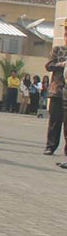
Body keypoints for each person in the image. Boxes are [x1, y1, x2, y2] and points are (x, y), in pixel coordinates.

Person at [45, 21, 67, 155]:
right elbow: (49, 65)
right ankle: (50, 146)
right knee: (54, 121)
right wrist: (62, 65)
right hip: (57, 91)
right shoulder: (58, 50)